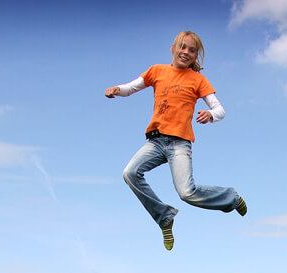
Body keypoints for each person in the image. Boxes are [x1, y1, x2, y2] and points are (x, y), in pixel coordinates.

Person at [105, 30, 246, 251]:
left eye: (192, 50)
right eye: (183, 47)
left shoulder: (198, 79)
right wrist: (117, 90)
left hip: (179, 143)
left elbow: (220, 109)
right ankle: (164, 217)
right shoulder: (157, 71)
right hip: (155, 142)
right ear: (173, 48)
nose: (186, 52)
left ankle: (231, 198)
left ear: (196, 56)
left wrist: (211, 115)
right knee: (130, 173)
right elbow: (131, 87)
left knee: (186, 193)